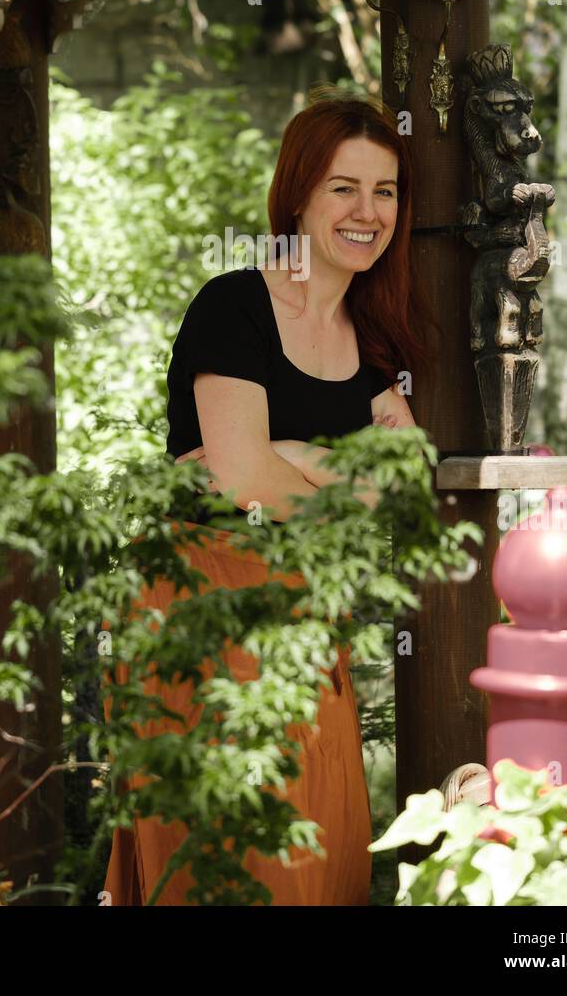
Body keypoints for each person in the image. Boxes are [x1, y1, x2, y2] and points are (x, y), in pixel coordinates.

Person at [103, 93, 432, 905]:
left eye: (384, 191)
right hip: (203, 607)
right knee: (234, 863)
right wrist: (311, 473)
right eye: (343, 188)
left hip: (307, 621)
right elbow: (243, 485)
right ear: (297, 195)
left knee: (326, 856)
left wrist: (288, 454)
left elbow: (395, 488)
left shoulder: (379, 340)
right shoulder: (234, 305)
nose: (367, 212)